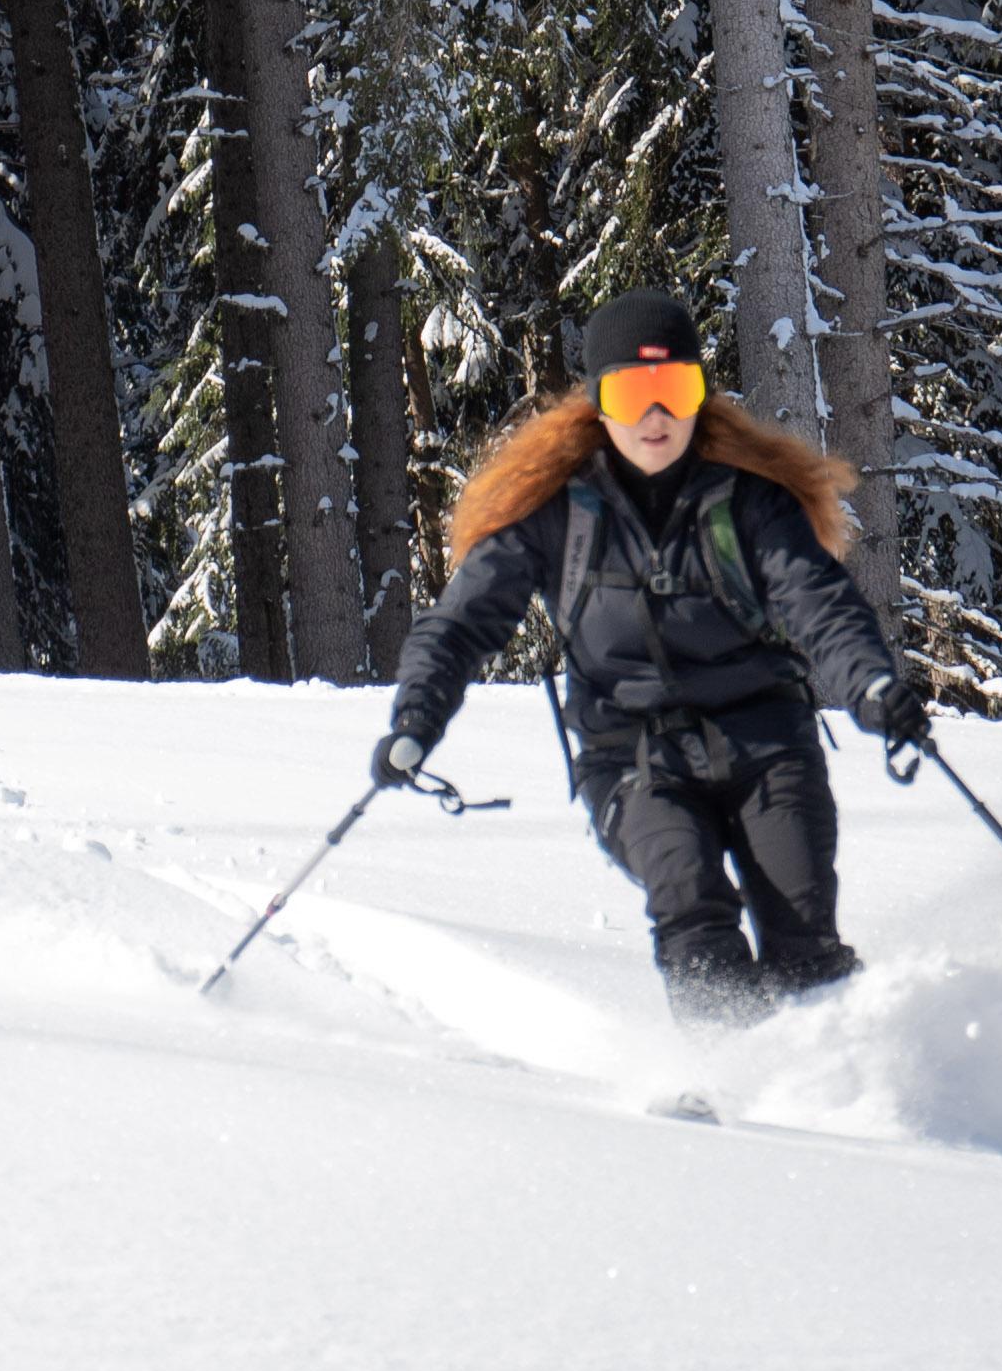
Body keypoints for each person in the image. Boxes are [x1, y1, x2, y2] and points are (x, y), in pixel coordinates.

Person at [377, 289, 928, 1025]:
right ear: (598, 405)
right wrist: (417, 716)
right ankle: (731, 1075)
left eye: (675, 389)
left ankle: (846, 1085)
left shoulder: (748, 503)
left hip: (767, 741)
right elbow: (458, 626)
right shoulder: (556, 512)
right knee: (689, 899)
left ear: (701, 394)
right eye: (632, 394)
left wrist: (872, 683)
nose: (656, 416)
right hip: (632, 758)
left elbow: (818, 601)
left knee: (802, 934)